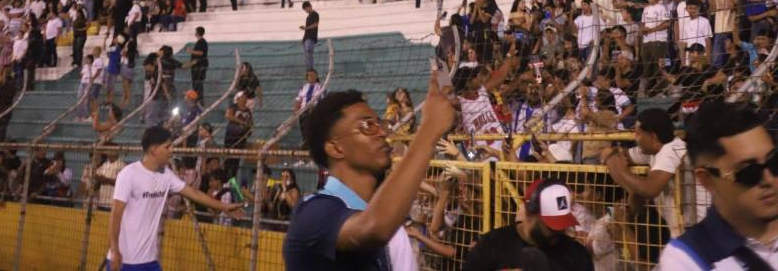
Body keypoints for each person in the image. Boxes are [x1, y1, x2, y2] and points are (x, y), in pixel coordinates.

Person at [283, 68, 456, 270]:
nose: (382, 132)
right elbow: (373, 228)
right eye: (368, 126)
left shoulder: (393, 227)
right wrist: (429, 129)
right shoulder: (312, 214)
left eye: (380, 124)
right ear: (336, 149)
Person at [659, 101, 778, 270]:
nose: (769, 179)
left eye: (774, 162)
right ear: (706, 179)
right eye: (749, 172)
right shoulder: (686, 259)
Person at [107, 126, 244, 271]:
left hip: (149, 261)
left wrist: (224, 206)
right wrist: (115, 250)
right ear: (154, 150)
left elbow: (194, 193)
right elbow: (116, 214)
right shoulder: (129, 174)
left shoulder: (166, 175)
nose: (172, 150)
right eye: (167, 146)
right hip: (124, 260)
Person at [463, 178, 593, 271]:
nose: (558, 231)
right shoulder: (492, 245)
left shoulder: (577, 254)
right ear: (528, 212)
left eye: (563, 223)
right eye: (551, 225)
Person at [601, 108, 687, 238]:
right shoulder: (652, 150)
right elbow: (611, 153)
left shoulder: (672, 150)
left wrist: (622, 171)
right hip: (680, 230)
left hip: (692, 228)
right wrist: (610, 156)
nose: (635, 138)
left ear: (652, 136)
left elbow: (650, 189)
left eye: (638, 134)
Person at [223, 91, 253, 181]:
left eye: (245, 97)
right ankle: (226, 178)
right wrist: (241, 122)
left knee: (236, 160)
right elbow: (228, 115)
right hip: (231, 136)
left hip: (241, 138)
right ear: (238, 98)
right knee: (229, 159)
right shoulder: (234, 106)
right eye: (243, 96)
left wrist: (249, 127)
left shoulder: (247, 110)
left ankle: (232, 179)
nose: (245, 98)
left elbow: (250, 121)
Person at [295, 68, 325, 146]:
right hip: (303, 110)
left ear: (316, 76)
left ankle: (313, 143)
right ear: (307, 77)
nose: (311, 77)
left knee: (313, 128)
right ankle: (305, 142)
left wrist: (314, 107)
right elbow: (298, 99)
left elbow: (321, 99)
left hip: (314, 110)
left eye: (313, 75)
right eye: (309, 76)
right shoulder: (303, 87)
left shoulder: (320, 87)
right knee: (304, 127)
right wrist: (296, 111)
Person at [185, 26, 209, 103]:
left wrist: (191, 51)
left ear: (197, 33)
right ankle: (197, 99)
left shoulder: (202, 42)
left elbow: (201, 53)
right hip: (197, 65)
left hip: (199, 65)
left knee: (198, 84)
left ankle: (198, 100)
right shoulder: (200, 42)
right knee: (196, 83)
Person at [300, 1, 319, 71]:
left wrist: (306, 28)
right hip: (307, 38)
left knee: (309, 53)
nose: (306, 11)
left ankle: (311, 70)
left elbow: (315, 24)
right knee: (306, 56)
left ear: (309, 7)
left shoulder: (315, 14)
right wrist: (303, 39)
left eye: (306, 9)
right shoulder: (308, 17)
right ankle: (309, 70)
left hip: (311, 37)